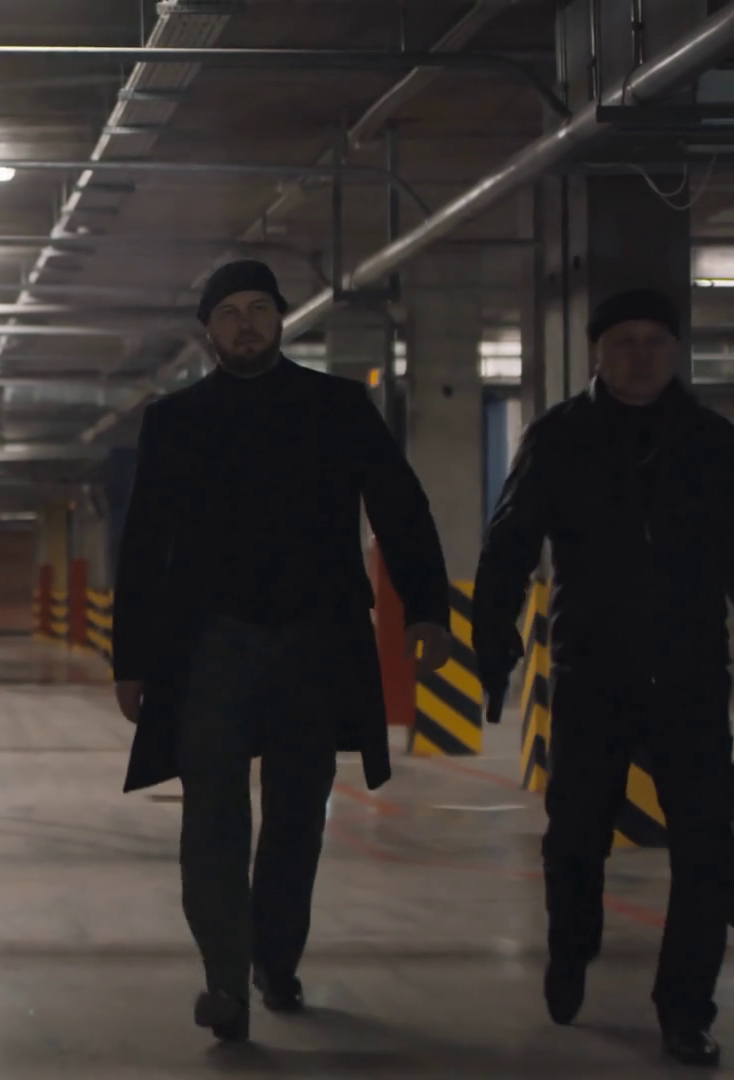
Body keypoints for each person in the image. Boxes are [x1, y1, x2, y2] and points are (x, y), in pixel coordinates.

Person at [110, 260, 450, 1042]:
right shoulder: (176, 420)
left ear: (281, 318)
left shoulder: (337, 407)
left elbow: (399, 506)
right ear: (208, 328)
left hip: (315, 640)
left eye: (259, 308)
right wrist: (132, 658)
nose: (246, 324)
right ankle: (226, 983)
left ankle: (275, 956)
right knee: (213, 816)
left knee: (298, 811)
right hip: (210, 641)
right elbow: (144, 543)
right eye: (229, 312)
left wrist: (428, 608)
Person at [473, 289, 733, 1068]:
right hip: (593, 667)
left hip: (692, 672)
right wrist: (493, 640)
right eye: (625, 341)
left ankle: (685, 1010)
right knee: (576, 836)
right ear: (597, 351)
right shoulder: (560, 437)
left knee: (709, 849)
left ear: (676, 351)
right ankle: (572, 944)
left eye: (656, 341)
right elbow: (510, 541)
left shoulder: (712, 442)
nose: (641, 355)